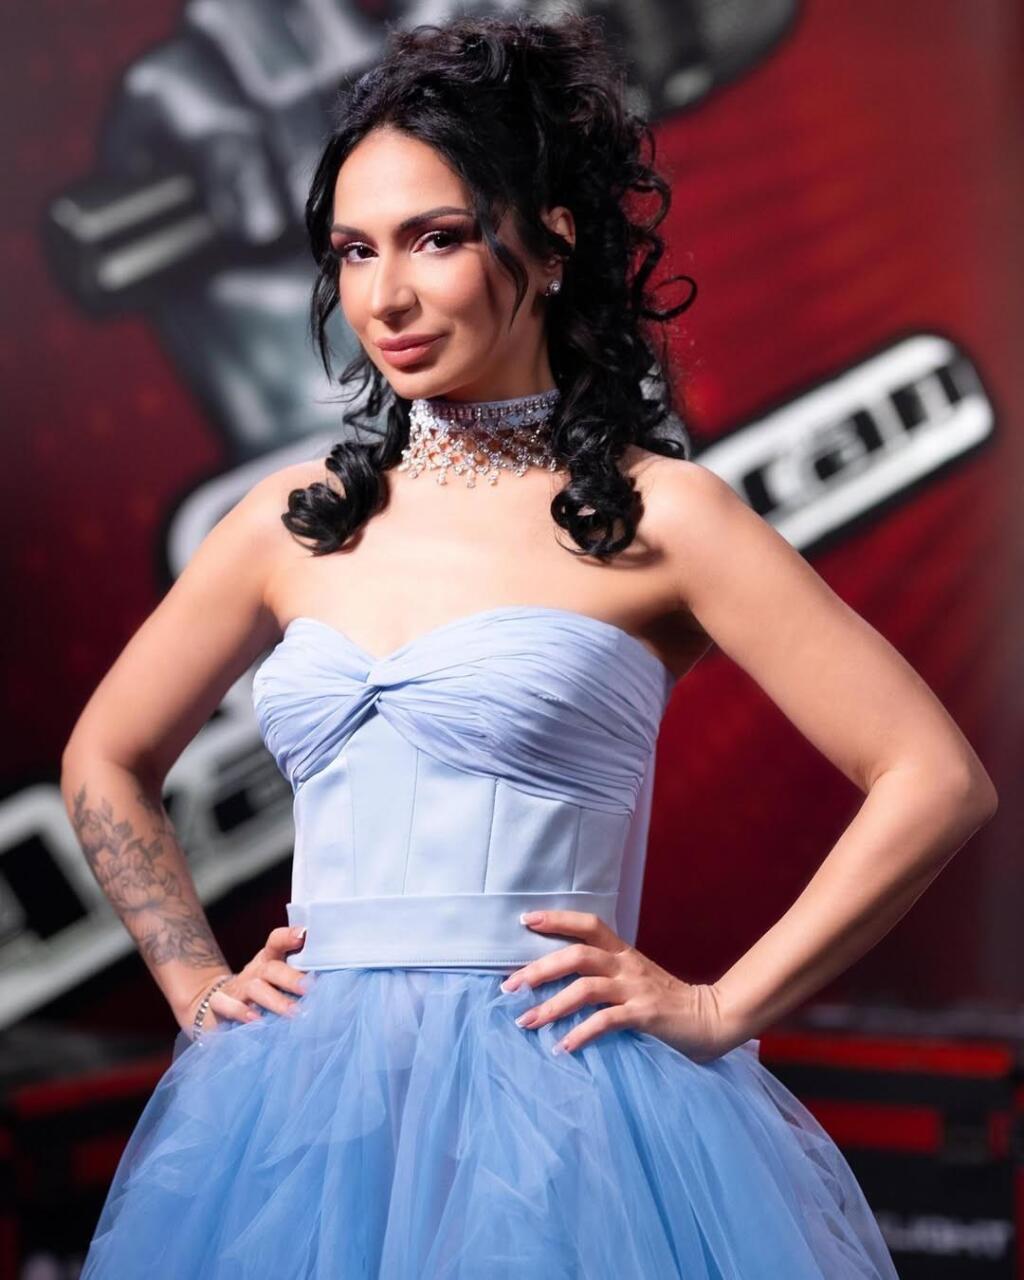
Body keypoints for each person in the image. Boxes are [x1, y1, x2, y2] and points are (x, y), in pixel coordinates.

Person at [64, 12, 996, 1277]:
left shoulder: (665, 515)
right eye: (353, 250)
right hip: (294, 1121)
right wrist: (192, 981)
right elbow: (106, 758)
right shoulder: (290, 519)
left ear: (552, 242)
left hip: (562, 1121)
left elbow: (933, 776)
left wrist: (721, 1006)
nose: (384, 295)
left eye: (436, 237)